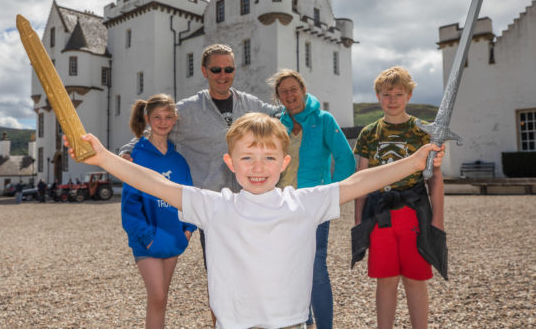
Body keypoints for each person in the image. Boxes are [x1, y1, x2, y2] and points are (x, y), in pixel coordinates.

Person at [65, 112, 445, 329]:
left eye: (268, 158)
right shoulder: (214, 206)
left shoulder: (304, 203)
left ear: (285, 163)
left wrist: (414, 162)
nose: (257, 167)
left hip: (292, 323)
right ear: (230, 164)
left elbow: (358, 181)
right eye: (247, 157)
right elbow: (150, 182)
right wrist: (103, 159)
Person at [119, 44, 281, 324]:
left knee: (256, 272)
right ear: (205, 71)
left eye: (228, 69)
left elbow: (282, 113)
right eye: (216, 69)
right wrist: (128, 149)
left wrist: (311, 108)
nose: (223, 75)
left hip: (250, 203)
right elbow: (157, 127)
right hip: (214, 209)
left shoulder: (249, 104)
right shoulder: (188, 109)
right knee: (220, 278)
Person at [351, 66, 447, 329]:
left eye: (398, 94)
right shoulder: (369, 133)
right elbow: (361, 178)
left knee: (415, 279)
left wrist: (437, 221)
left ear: (409, 95)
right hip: (379, 215)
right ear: (378, 96)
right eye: (386, 94)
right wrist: (359, 221)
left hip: (414, 213)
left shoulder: (423, 132)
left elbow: (435, 178)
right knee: (386, 280)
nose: (392, 100)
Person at [270, 69, 355, 329]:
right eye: (283, 91)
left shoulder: (323, 120)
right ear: (279, 97)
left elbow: (346, 160)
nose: (289, 95)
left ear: (304, 90)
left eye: (293, 89)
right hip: (282, 204)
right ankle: (303, 323)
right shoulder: (275, 124)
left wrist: (331, 194)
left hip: (313, 204)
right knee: (292, 269)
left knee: (316, 268)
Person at [123, 93, 196, 328]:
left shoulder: (180, 160)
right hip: (147, 240)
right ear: (147, 118)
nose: (163, 122)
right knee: (157, 296)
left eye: (168, 117)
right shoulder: (136, 156)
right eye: (157, 117)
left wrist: (187, 231)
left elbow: (189, 198)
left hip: (173, 238)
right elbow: (129, 205)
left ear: (174, 120)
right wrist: (146, 238)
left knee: (161, 299)